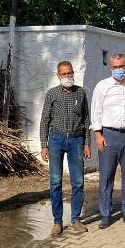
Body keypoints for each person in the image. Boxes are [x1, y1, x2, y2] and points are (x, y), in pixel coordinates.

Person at [91, 54, 125, 229]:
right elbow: (96, 112)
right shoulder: (102, 86)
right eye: (114, 67)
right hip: (109, 135)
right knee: (106, 177)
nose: (118, 70)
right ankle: (105, 214)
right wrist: (98, 135)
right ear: (111, 69)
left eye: (121, 66)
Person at [40, 61, 92, 236]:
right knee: (55, 182)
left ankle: (76, 219)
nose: (67, 76)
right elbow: (44, 121)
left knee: (78, 181)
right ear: (58, 75)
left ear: (73, 73)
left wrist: (87, 143)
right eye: (63, 74)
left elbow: (86, 120)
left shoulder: (81, 93)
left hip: (76, 140)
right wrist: (43, 145)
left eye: (69, 73)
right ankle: (57, 221)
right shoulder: (52, 94)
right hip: (56, 140)